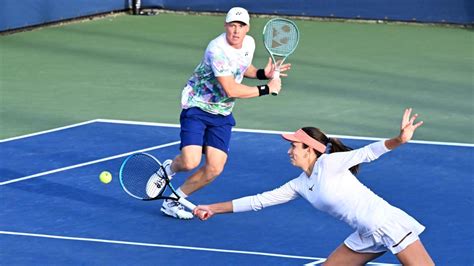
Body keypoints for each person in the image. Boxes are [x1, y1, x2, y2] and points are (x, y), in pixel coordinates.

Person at [193, 108, 434, 265]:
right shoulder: (299, 185)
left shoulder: (330, 163)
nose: (289, 151)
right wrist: (213, 208)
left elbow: (368, 153)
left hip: (387, 223)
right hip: (365, 233)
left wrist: (399, 140)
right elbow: (259, 201)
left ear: (310, 149)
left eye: (294, 146)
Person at [159, 7, 291, 219]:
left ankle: (172, 202)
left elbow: (241, 68)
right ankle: (169, 169)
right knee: (190, 162)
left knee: (214, 168)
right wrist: (267, 88)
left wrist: (261, 74)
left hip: (222, 113)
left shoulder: (249, 43)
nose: (236, 31)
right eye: (232, 25)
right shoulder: (217, 50)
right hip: (198, 106)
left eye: (241, 26)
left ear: (247, 28)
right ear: (225, 25)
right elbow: (230, 89)